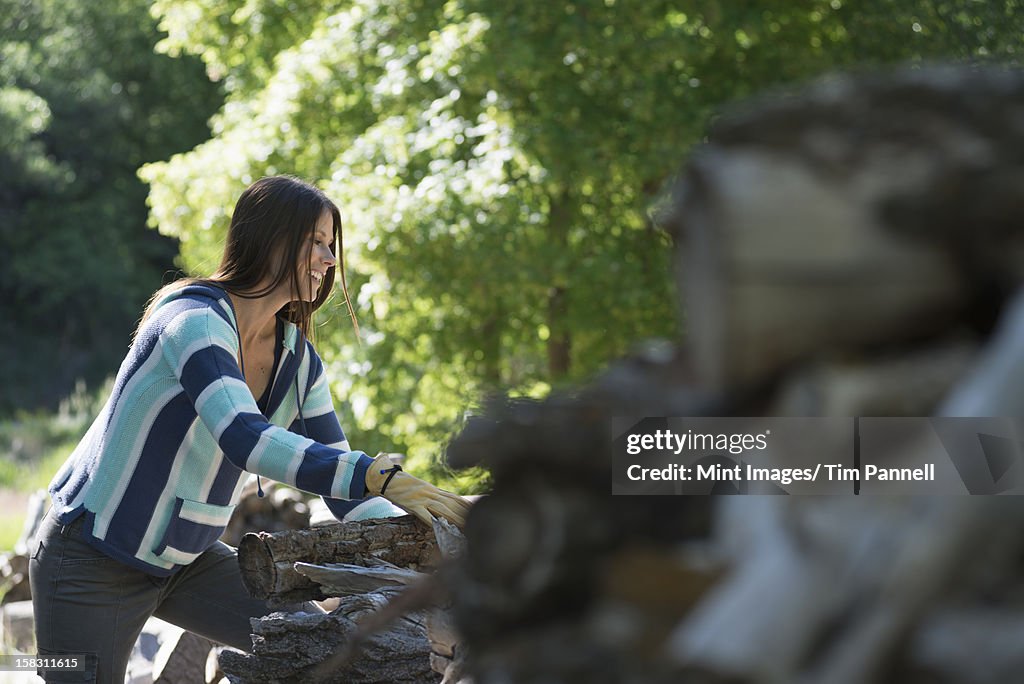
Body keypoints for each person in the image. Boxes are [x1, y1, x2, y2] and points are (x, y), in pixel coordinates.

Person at [29, 175, 471, 683]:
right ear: (272, 239)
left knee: (327, 652)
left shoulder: (297, 361)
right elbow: (245, 436)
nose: (330, 260)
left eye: (332, 246)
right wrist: (374, 474)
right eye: (317, 243)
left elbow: (347, 493)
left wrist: (426, 535)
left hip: (185, 562)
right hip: (89, 557)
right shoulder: (192, 319)